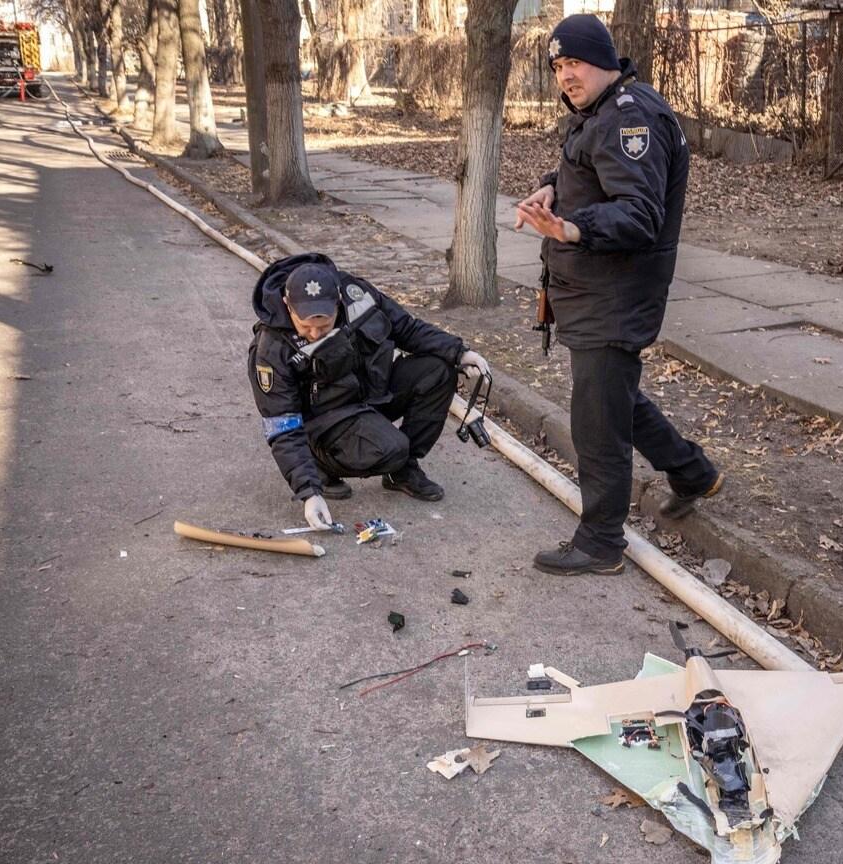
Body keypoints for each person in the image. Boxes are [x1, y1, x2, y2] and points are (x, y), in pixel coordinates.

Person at [515, 14, 723, 577]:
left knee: (597, 421)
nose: (565, 75)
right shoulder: (600, 112)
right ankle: (693, 472)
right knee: (615, 400)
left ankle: (602, 541)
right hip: (591, 291)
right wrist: (550, 187)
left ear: (605, 60)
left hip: (614, 293)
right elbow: (587, 169)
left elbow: (638, 213)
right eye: (557, 66)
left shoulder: (632, 117)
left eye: (574, 63)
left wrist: (572, 228)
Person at [247, 252, 489, 530]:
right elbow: (282, 425)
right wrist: (308, 492)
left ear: (338, 299)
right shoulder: (270, 348)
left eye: (324, 326)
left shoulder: (356, 294)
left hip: (371, 394)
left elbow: (405, 327)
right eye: (306, 327)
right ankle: (319, 465)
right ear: (288, 306)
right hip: (328, 420)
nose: (315, 334)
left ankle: (402, 471)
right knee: (392, 447)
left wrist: (459, 352)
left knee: (438, 370)